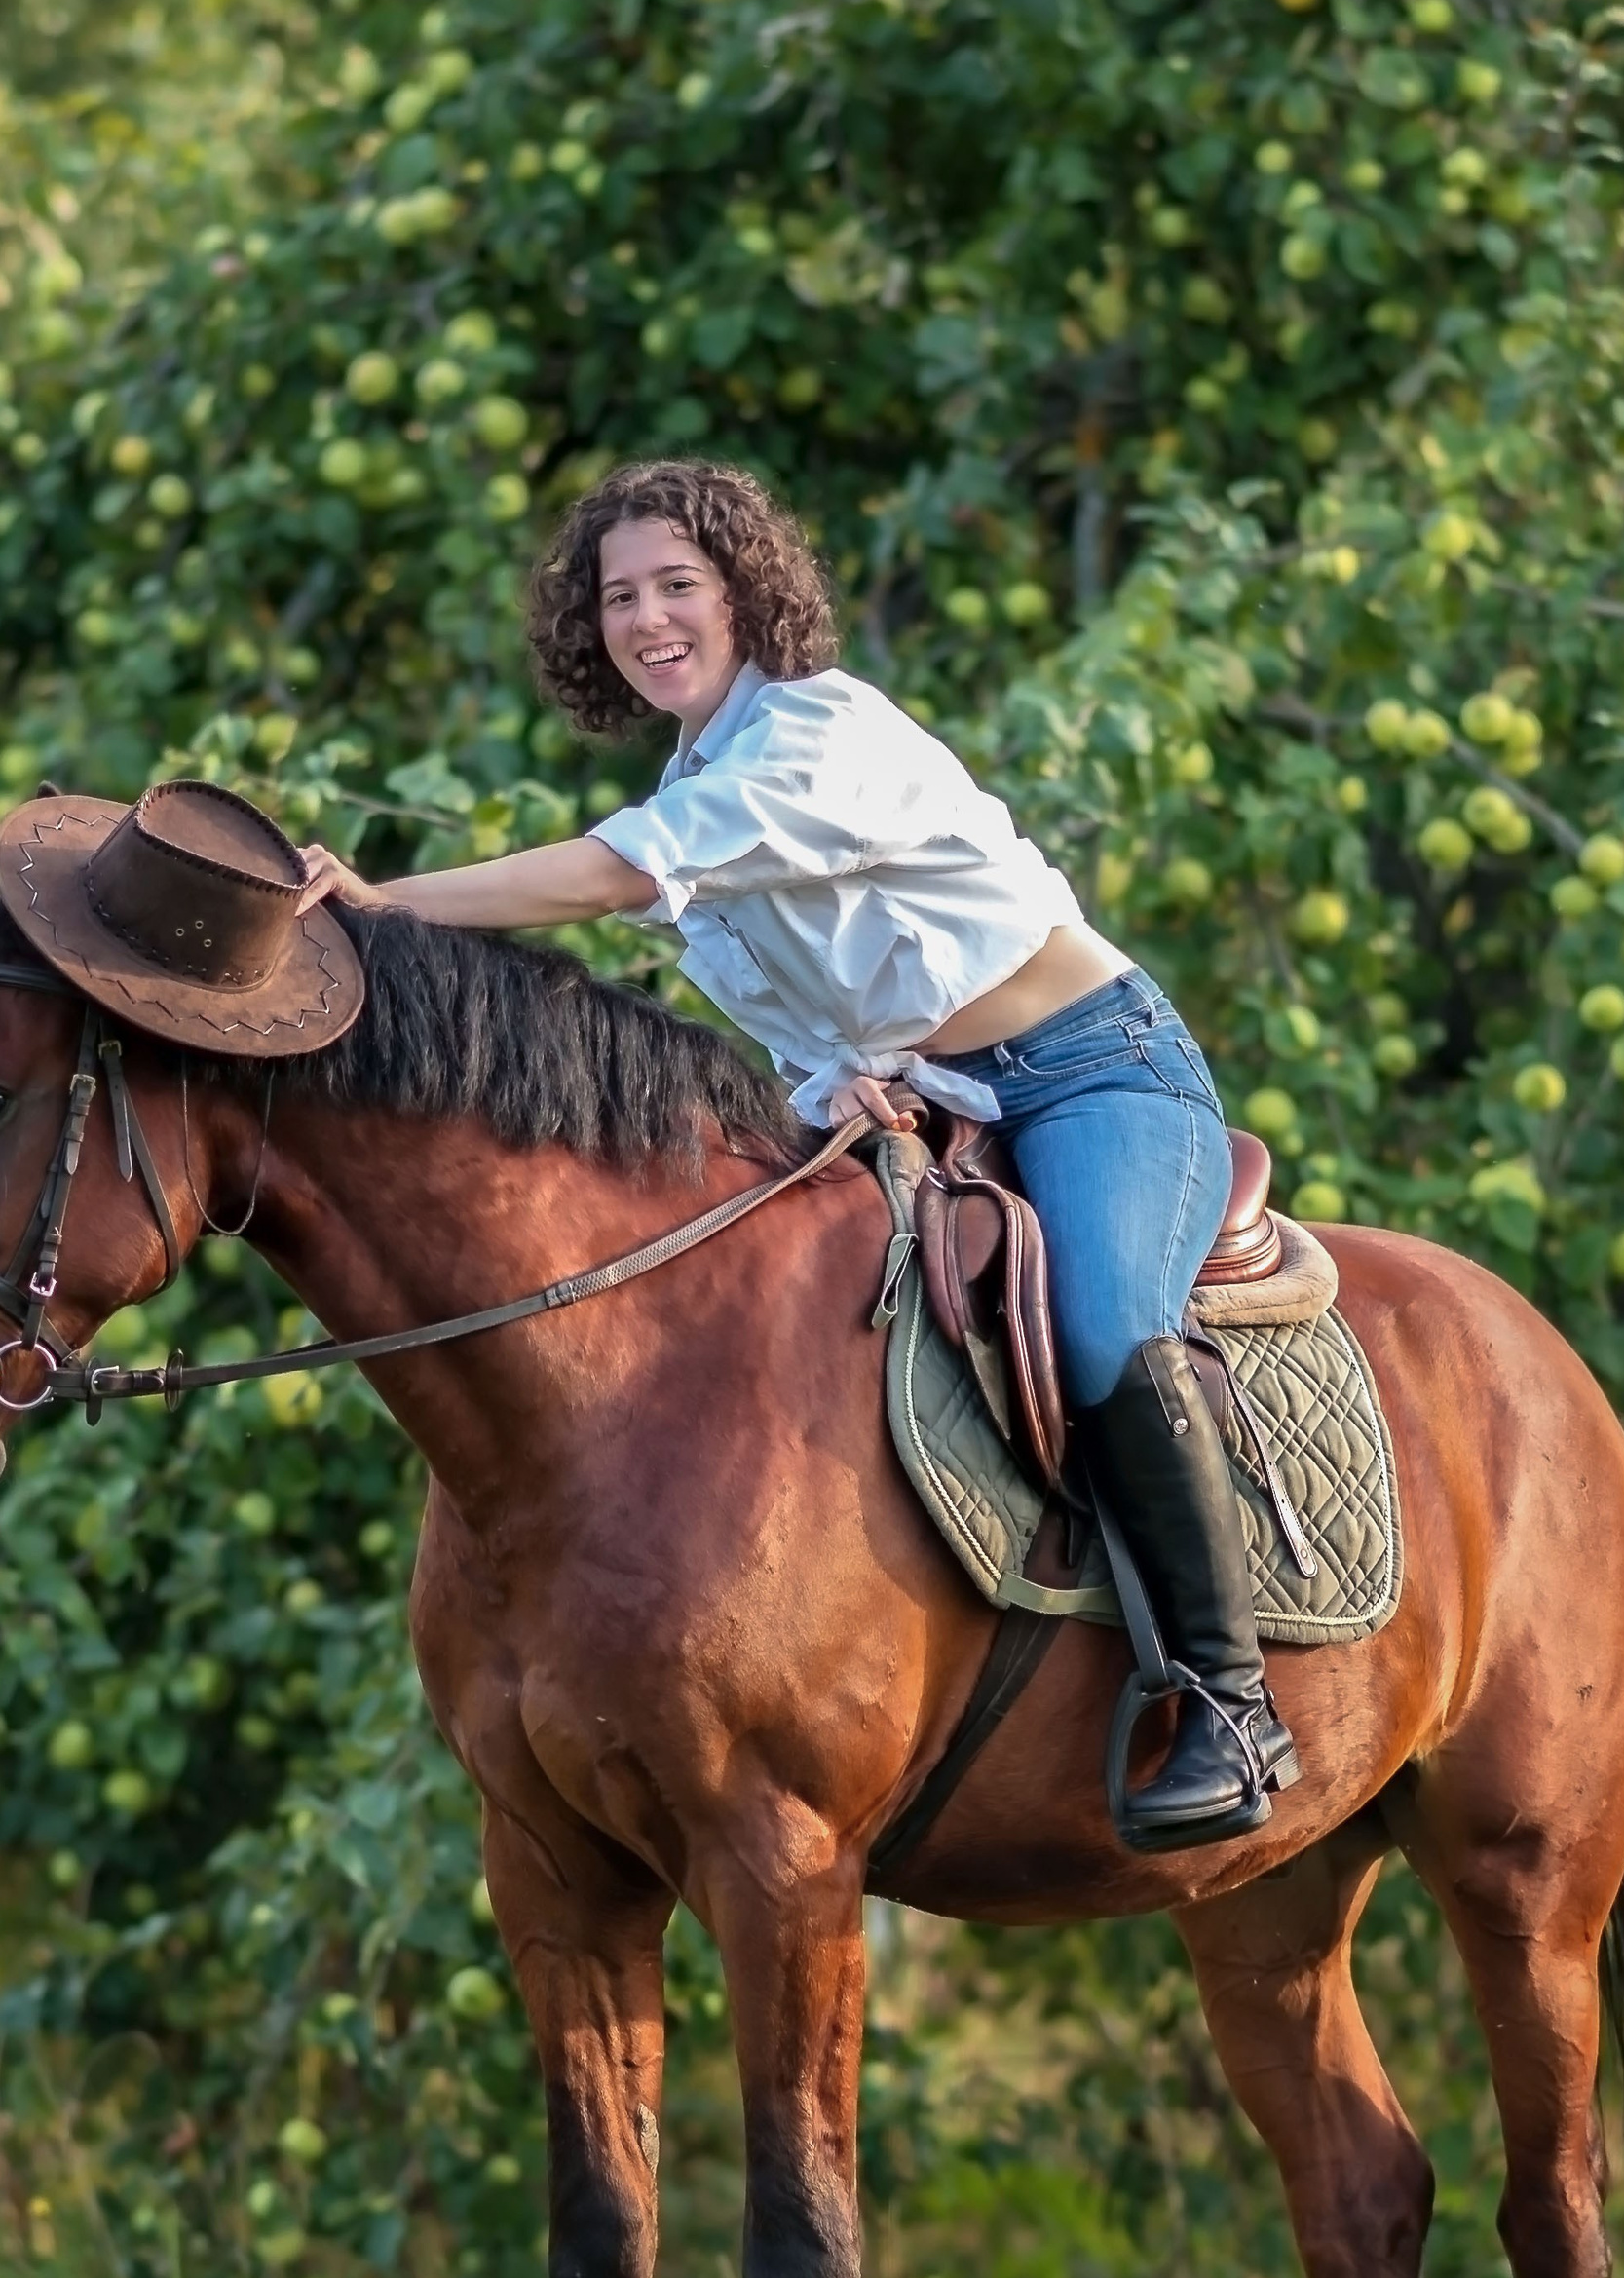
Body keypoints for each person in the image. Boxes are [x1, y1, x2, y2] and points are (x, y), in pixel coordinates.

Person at [294, 458, 1295, 1845]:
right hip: (942, 1097)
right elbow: (807, 1015)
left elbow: (616, 876)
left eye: (677, 588)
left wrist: (379, 906)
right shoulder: (701, 771)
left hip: (1089, 1070)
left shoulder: (821, 735)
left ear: (745, 594)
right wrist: (843, 1085)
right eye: (619, 597)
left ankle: (1231, 1696)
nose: (648, 621)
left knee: (1105, 1318)